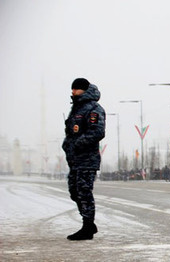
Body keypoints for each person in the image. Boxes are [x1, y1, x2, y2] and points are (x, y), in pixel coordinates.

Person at [62, 78, 105, 241]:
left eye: (76, 89)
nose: (73, 92)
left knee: (84, 191)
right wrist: (67, 145)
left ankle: (88, 226)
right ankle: (89, 223)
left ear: (84, 90)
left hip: (87, 159)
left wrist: (78, 144)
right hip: (75, 159)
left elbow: (98, 132)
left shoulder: (94, 109)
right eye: (72, 89)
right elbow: (71, 132)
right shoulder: (76, 108)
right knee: (74, 191)